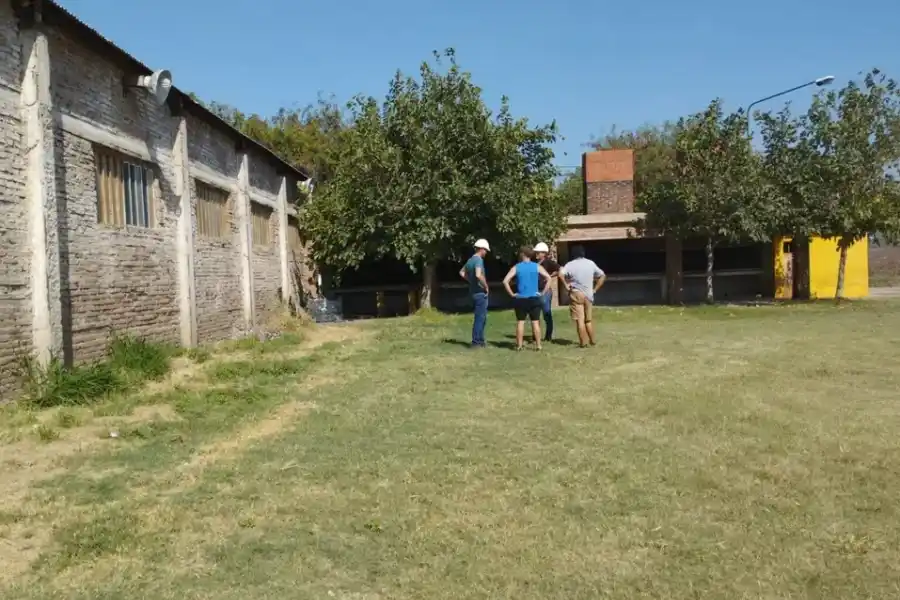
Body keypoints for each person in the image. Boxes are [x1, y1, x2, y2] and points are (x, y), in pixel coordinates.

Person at [502, 246, 552, 351]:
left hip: (520, 298)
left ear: (522, 254)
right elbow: (549, 278)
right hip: (534, 297)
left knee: (520, 322)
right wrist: (543, 292)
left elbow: (505, 281)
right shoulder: (536, 266)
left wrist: (512, 294)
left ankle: (519, 345)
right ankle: (538, 345)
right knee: (535, 321)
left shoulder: (517, 267)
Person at [559, 245, 606, 348]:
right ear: (583, 253)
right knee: (588, 320)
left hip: (576, 294)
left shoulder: (570, 265)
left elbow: (560, 274)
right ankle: (592, 341)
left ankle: (583, 343)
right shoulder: (590, 263)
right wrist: (595, 289)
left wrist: (566, 285)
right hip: (589, 295)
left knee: (580, 320)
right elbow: (602, 275)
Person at [459, 239, 491, 348]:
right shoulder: (478, 260)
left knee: (481, 317)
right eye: (486, 250)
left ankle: (481, 340)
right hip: (480, 293)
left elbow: (462, 273)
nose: (486, 252)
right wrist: (486, 286)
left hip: (473, 292)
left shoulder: (470, 260)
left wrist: (470, 281)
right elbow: (478, 275)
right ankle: (476, 342)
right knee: (480, 318)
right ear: (481, 249)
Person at [533, 242, 560, 342]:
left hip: (545, 292)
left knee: (546, 314)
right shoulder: (535, 263)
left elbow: (559, 269)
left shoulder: (548, 262)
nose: (536, 254)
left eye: (538, 252)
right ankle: (536, 335)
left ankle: (548, 336)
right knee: (535, 314)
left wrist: (549, 277)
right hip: (536, 291)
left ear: (544, 253)